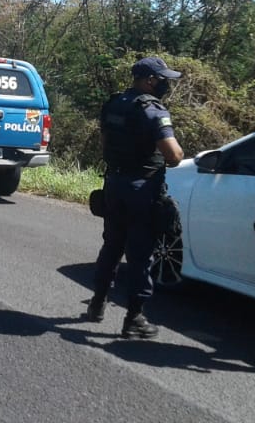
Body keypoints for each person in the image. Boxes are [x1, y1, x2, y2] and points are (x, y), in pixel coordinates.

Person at [85, 56, 184, 339]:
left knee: (112, 245)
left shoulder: (114, 103)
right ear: (150, 80)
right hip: (142, 189)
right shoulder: (153, 110)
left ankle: (97, 304)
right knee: (141, 253)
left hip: (114, 183)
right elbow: (173, 155)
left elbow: (105, 145)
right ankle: (134, 318)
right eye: (163, 79)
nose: (166, 84)